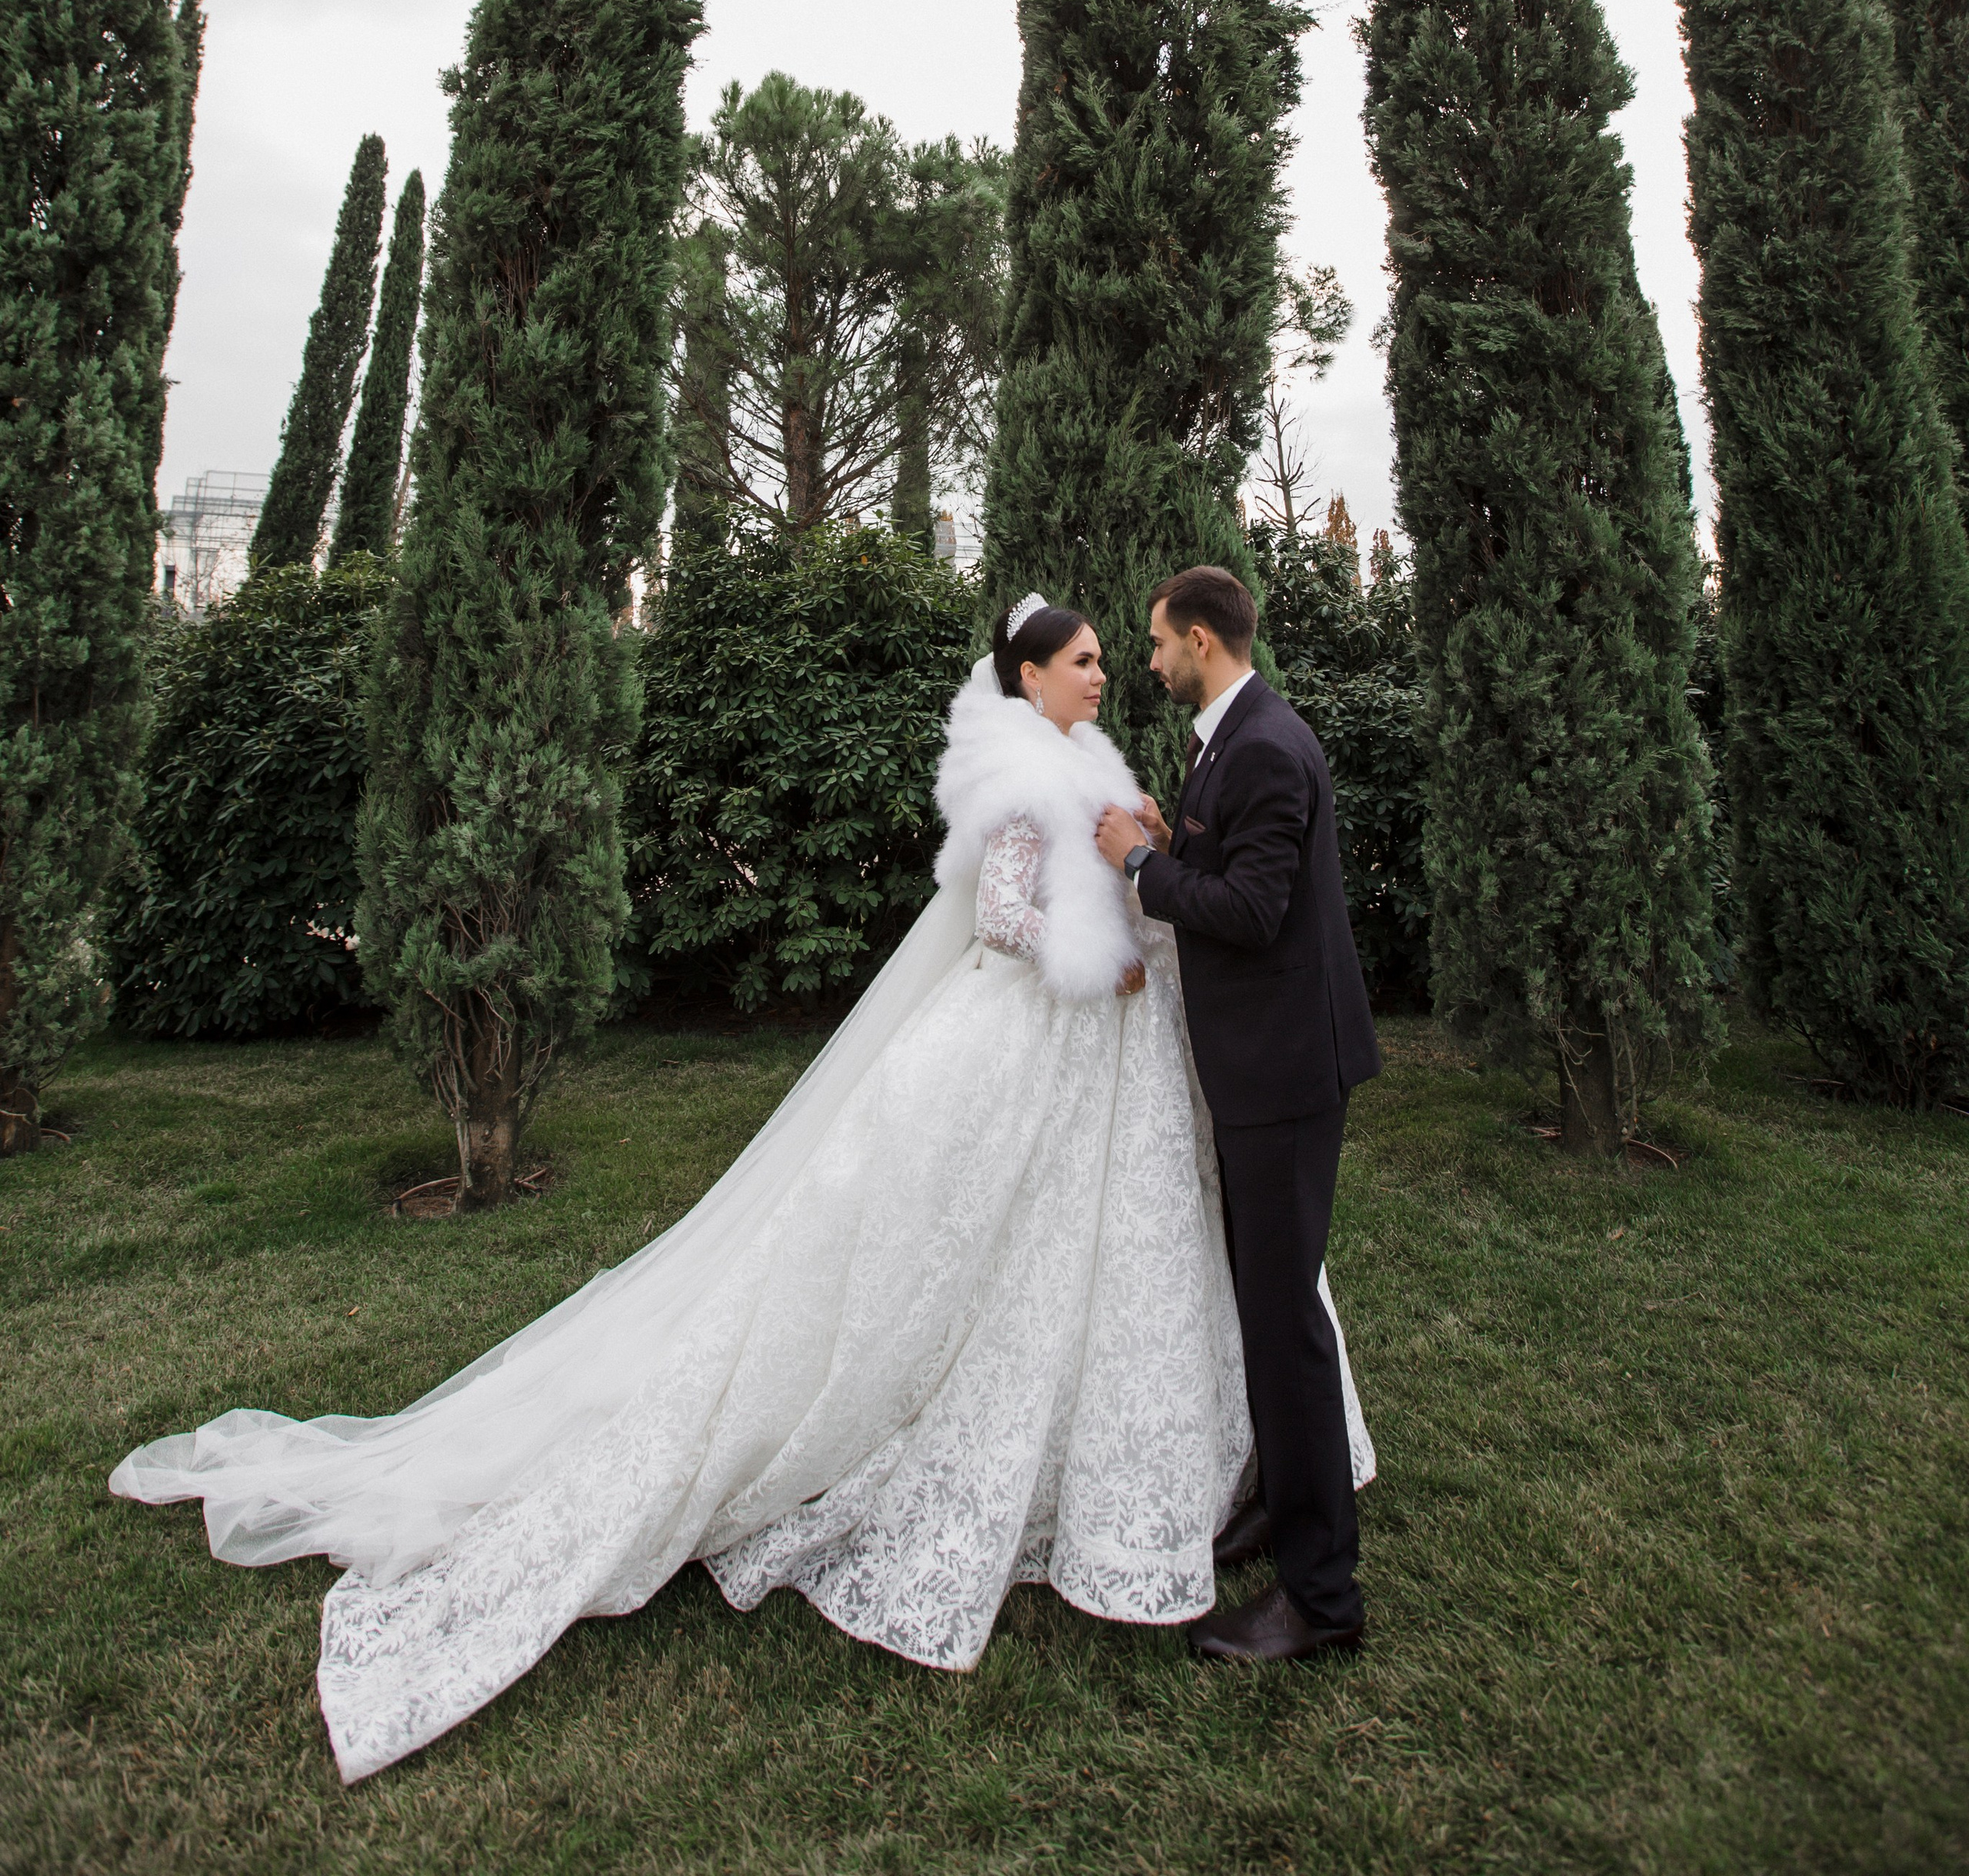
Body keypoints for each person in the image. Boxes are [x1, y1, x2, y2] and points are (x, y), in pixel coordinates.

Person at [111, 593, 1372, 1784]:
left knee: (1129, 1268)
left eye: (1121, 652)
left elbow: (1166, 868)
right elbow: (1004, 917)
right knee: (981, 1257)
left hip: (1124, 1058)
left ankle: (1208, 1485)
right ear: (1031, 678)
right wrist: (1109, 948)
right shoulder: (1017, 777)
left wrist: (1147, 849)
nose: (1111, 671)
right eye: (1089, 659)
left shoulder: (1107, 764)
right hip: (1042, 1035)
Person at [1094, 563, 1382, 1664]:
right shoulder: (1234, 733)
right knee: (1267, 1306)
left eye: (1160, 642)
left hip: (1287, 1075)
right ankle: (1280, 1500)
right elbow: (1241, 867)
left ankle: (1322, 1597)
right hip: (1266, 1068)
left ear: (1203, 640)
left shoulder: (1260, 743)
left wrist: (1138, 868)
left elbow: (1255, 913)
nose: (1151, 660)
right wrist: (1178, 847)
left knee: (1286, 1324)